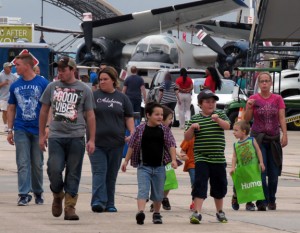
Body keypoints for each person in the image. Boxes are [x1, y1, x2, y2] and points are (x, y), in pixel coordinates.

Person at [39, 56, 96, 221]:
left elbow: (90, 115)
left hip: (77, 136)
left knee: (74, 172)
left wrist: (92, 139)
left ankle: (70, 206)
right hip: (56, 136)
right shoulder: (52, 87)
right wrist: (42, 135)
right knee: (53, 168)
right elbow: (43, 111)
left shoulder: (84, 89)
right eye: (58, 70)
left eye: (63, 70)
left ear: (73, 70)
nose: (60, 73)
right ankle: (58, 194)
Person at [121, 102, 178, 225]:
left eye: (161, 115)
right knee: (143, 190)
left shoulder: (165, 130)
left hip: (160, 167)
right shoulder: (140, 129)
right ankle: (140, 212)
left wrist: (173, 160)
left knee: (158, 193)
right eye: (157, 114)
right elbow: (131, 145)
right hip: (144, 167)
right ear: (148, 115)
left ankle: (156, 213)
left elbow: (171, 145)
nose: (160, 117)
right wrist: (126, 161)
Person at [88, 66, 134, 213]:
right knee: (99, 172)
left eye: (105, 79)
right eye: (100, 79)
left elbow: (128, 117)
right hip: (96, 143)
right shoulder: (93, 96)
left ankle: (110, 203)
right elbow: (87, 115)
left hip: (116, 142)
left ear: (114, 81)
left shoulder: (122, 98)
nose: (102, 82)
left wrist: (132, 132)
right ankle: (98, 202)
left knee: (111, 175)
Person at [6, 54, 49, 206]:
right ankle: (24, 193)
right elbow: (11, 108)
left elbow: (49, 107)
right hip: (21, 128)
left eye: (17, 65)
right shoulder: (15, 85)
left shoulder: (43, 83)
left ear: (26, 65)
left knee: (37, 163)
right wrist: (9, 130)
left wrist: (47, 127)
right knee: (22, 162)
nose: (15, 67)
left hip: (38, 129)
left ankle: (38, 191)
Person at [184, 89, 230, 224]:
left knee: (219, 185)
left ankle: (220, 211)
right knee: (200, 184)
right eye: (207, 102)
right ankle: (197, 212)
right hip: (201, 158)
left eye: (213, 102)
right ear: (200, 104)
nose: (211, 104)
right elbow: (187, 137)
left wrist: (218, 120)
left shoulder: (220, 113)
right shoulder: (195, 119)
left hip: (218, 158)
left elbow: (227, 126)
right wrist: (192, 128)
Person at [244, 72, 288, 211]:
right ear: (259, 84)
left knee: (274, 175)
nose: (264, 83)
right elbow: (246, 119)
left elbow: (281, 117)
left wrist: (285, 134)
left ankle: (272, 199)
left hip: (274, 139)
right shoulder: (253, 98)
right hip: (258, 139)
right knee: (261, 173)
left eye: (266, 81)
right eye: (261, 81)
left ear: (271, 83)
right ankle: (261, 201)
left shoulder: (278, 98)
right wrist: (249, 106)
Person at [230, 120, 265, 211]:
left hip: (252, 169)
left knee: (251, 186)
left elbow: (258, 151)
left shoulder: (252, 140)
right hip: (242, 170)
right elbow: (234, 157)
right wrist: (233, 167)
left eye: (236, 130)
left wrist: (261, 163)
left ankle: (249, 203)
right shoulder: (236, 144)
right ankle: (235, 197)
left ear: (244, 131)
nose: (234, 132)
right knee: (238, 186)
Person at [0, 62, 17, 132]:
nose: (11, 68)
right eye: (9, 67)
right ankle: (5, 125)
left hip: (11, 97)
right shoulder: (0, 75)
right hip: (3, 96)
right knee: (4, 111)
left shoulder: (13, 76)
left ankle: (11, 124)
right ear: (5, 68)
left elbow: (17, 84)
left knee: (12, 111)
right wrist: (3, 83)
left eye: (11, 67)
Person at [180, 137, 195, 211]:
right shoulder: (189, 138)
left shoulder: (206, 137)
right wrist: (183, 156)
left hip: (204, 163)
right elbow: (182, 151)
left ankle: (197, 199)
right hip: (191, 164)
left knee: (201, 183)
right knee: (195, 182)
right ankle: (194, 201)